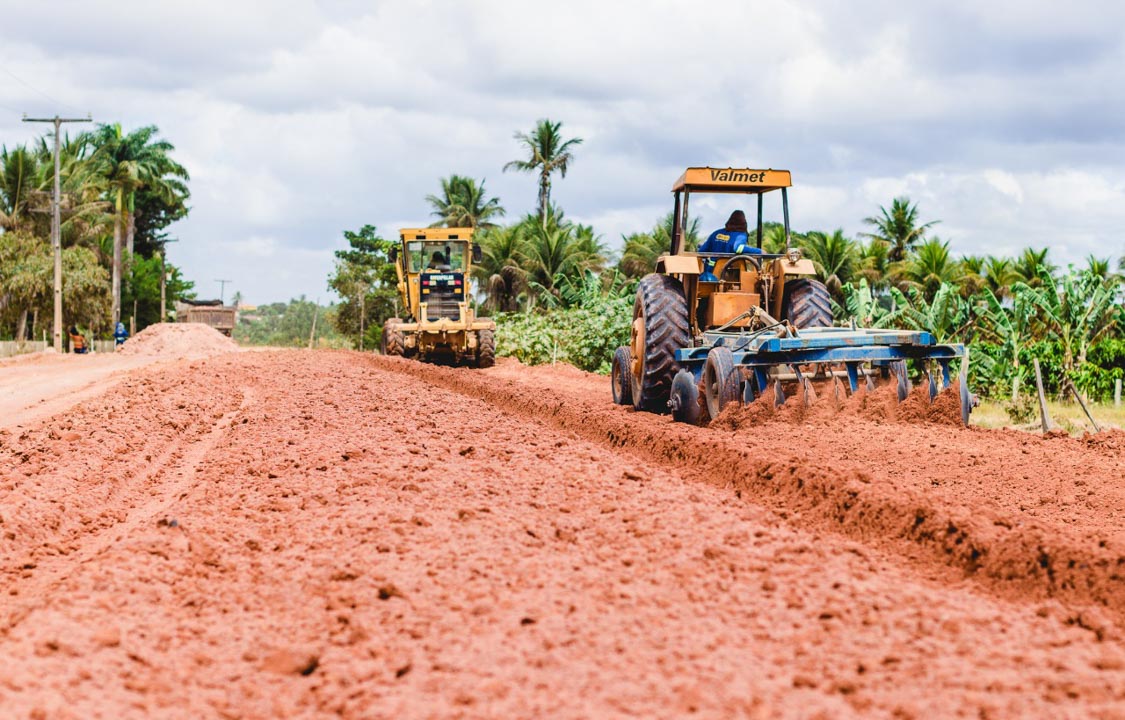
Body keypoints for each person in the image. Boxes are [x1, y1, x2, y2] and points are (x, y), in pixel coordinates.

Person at [697, 210, 761, 282]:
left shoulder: (716, 233)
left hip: (712, 274)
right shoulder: (741, 235)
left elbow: (701, 251)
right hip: (732, 277)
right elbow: (737, 248)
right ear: (744, 223)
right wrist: (760, 251)